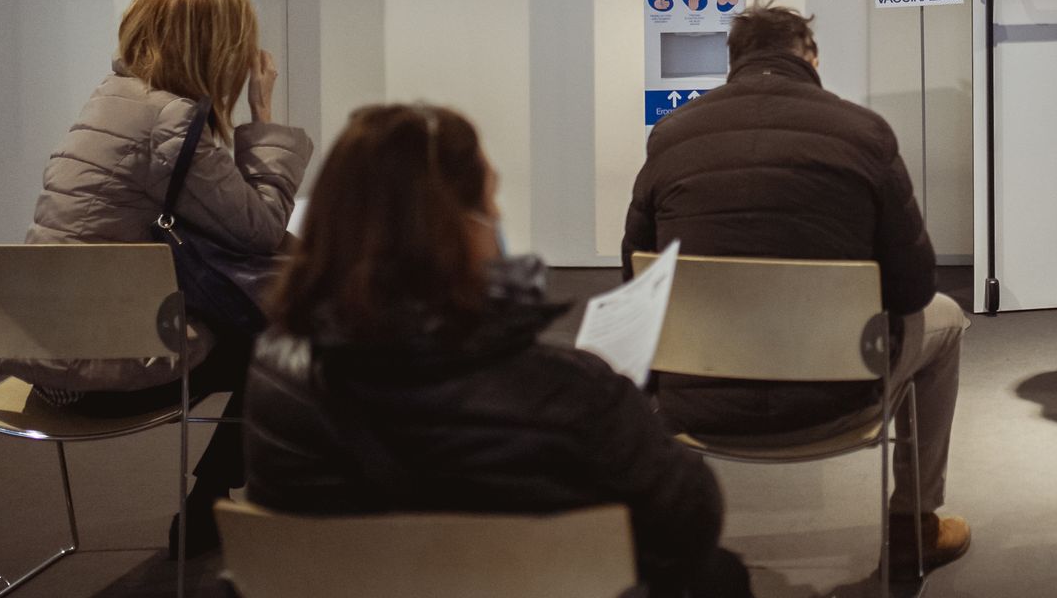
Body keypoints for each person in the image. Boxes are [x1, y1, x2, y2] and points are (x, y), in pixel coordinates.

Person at [245, 104, 751, 598]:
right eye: (489, 199)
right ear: (459, 226)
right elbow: (688, 522)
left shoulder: (275, 377)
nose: (498, 214)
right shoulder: (572, 392)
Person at [622, 2, 971, 573]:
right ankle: (915, 525)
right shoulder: (865, 132)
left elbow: (635, 282)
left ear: (732, 61)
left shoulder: (671, 135)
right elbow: (913, 288)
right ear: (809, 56)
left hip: (698, 401)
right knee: (948, 317)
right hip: (839, 396)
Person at [0, 0, 309, 558]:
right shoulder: (172, 122)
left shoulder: (112, 100)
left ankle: (218, 508)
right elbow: (261, 230)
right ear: (220, 47)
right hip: (103, 375)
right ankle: (215, 506)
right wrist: (262, 116)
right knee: (280, 332)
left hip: (40, 360)